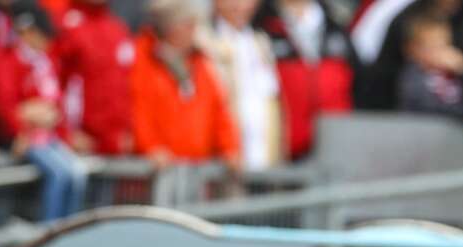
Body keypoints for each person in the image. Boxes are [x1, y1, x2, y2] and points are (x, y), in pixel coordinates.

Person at [0, 4, 90, 221]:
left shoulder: (43, 63)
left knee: (77, 172)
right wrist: (20, 129)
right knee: (59, 174)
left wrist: (62, 132)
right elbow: (7, 103)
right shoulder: (12, 60)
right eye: (42, 34)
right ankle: (50, 231)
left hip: (48, 137)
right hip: (29, 138)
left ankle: (66, 229)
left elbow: (55, 105)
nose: (47, 41)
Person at [130, 0, 241, 168]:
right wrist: (150, 147)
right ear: (171, 28)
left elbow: (218, 110)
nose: (193, 31)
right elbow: (137, 111)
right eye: (188, 25)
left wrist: (230, 148)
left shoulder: (199, 62)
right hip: (158, 174)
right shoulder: (144, 59)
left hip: (195, 171)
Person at [258, 0, 358, 161]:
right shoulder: (261, 26)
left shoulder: (337, 25)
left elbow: (358, 87)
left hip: (336, 152)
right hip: (281, 154)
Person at [205, 0, 285, 170]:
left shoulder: (261, 43)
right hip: (223, 166)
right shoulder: (204, 42)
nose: (238, 5)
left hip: (265, 163)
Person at [52, 0, 136, 156]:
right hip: (82, 146)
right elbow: (51, 83)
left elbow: (129, 87)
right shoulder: (64, 25)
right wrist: (65, 133)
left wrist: (130, 131)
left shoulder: (117, 28)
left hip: (118, 146)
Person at [394, 15, 463, 130]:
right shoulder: (411, 76)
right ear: (412, 49)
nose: (439, 52)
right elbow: (427, 106)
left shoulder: (455, 75)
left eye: (443, 45)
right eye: (431, 46)